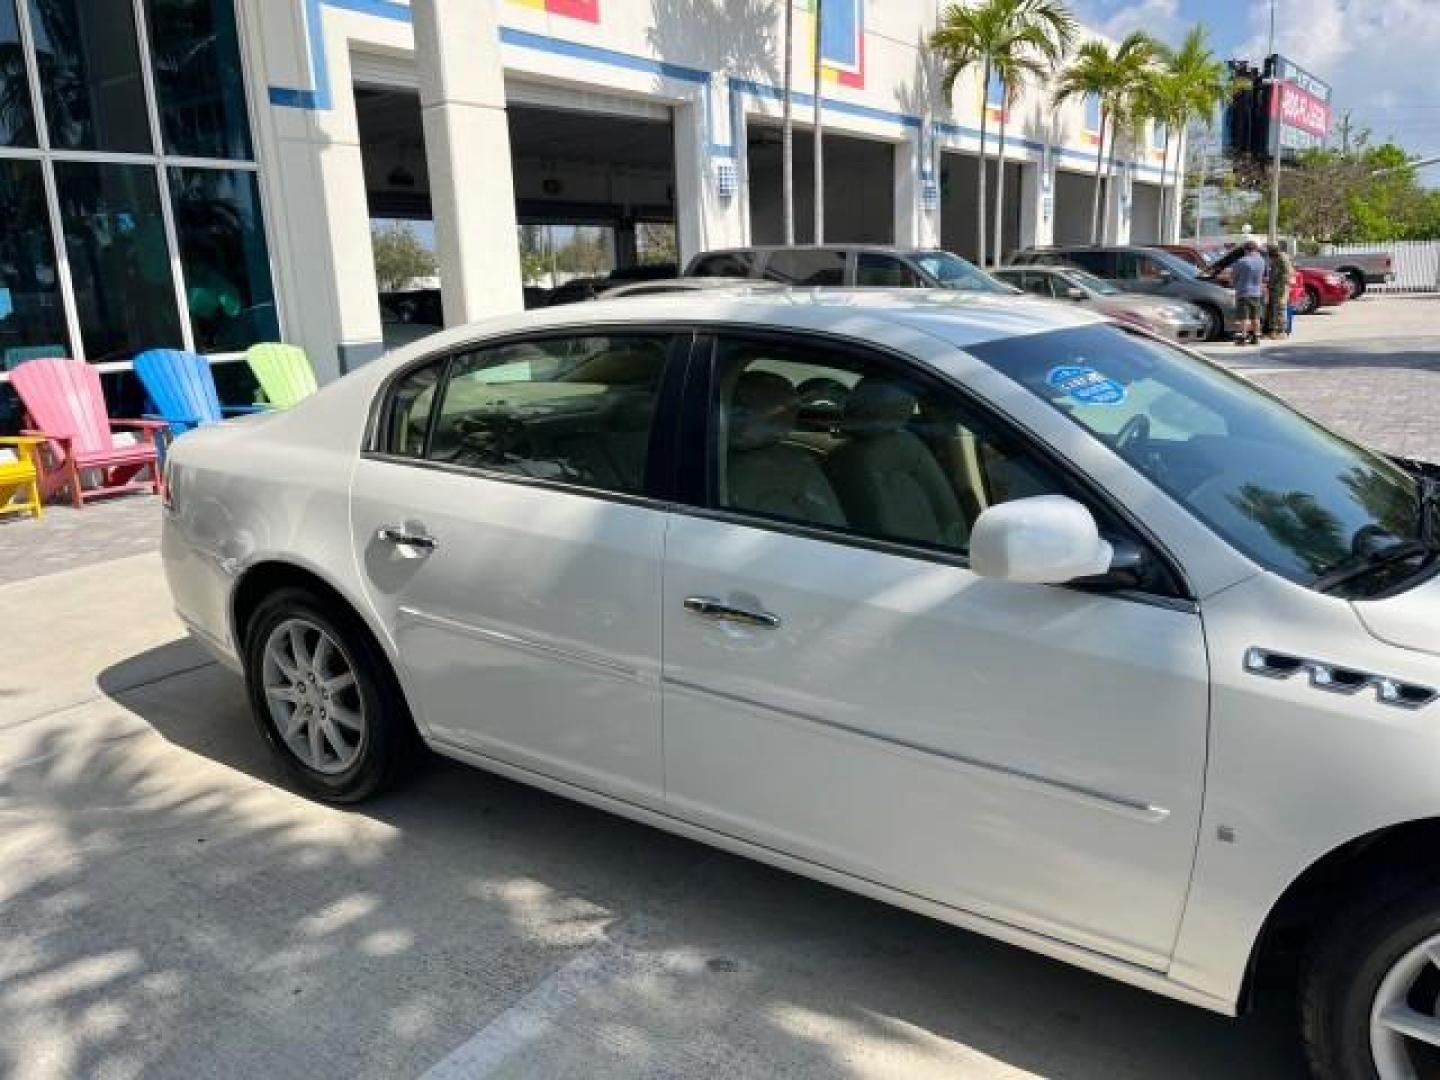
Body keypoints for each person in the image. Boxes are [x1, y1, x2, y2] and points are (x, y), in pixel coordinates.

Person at [1231, 240, 1268, 346]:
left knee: (1243, 317)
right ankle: (1256, 337)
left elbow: (1234, 277)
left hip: (1243, 292)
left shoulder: (1242, 261)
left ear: (1246, 250)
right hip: (1257, 292)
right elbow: (1264, 276)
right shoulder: (1261, 261)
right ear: (1256, 249)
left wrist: (1234, 284)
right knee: (1255, 317)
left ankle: (1243, 338)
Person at [1265, 242, 1295, 339]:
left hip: (1281, 287)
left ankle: (1282, 331)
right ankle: (1273, 331)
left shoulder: (1282, 258)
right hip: (1275, 287)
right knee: (1274, 309)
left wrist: (1285, 291)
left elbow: (1288, 273)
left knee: (1281, 308)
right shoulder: (1277, 258)